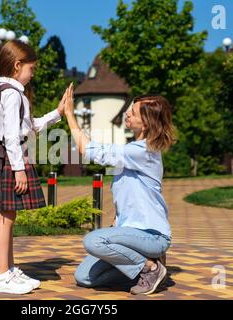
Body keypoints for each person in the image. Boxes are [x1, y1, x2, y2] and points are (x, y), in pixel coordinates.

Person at [63, 83, 175, 295]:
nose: (126, 114)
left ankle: (150, 267)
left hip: (151, 236)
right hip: (130, 234)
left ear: (146, 123)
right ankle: (142, 269)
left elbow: (90, 151)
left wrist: (69, 114)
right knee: (84, 277)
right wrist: (118, 221)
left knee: (93, 240)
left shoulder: (144, 151)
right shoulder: (134, 151)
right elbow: (131, 195)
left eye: (132, 113)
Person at [0, 40, 66, 295]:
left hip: (11, 158)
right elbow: (11, 136)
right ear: (17, 65)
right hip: (11, 159)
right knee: (5, 218)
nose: (32, 74)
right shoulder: (11, 94)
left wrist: (58, 112)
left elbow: (29, 128)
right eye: (31, 69)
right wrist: (18, 169)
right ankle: (0, 276)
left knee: (7, 217)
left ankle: (7, 270)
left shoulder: (11, 93)